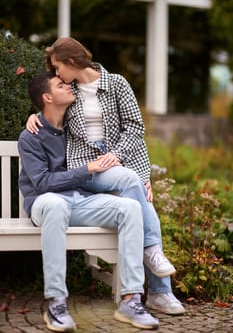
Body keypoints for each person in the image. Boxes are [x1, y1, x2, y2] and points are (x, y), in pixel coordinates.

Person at [26, 37, 185, 315]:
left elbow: (135, 128)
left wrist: (137, 171)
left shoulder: (117, 84)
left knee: (140, 199)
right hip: (87, 169)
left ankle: (159, 292)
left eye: (58, 67)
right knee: (129, 181)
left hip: (119, 164)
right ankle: (158, 279)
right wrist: (32, 114)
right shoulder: (68, 90)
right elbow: (51, 106)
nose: (56, 74)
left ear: (72, 62)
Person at [18, 71, 160, 332]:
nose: (69, 87)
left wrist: (142, 177)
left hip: (80, 201)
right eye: (61, 85)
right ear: (47, 97)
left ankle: (131, 299)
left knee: (130, 208)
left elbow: (124, 140)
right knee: (55, 203)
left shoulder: (75, 128)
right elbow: (43, 183)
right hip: (45, 204)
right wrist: (87, 170)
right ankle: (57, 302)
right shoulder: (30, 136)